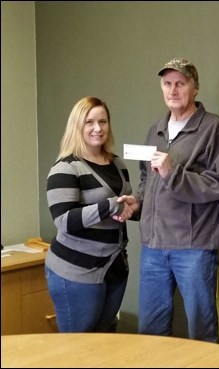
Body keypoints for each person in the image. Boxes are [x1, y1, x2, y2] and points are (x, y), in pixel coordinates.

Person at [117, 58, 219, 343]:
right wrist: (138, 203)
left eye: (180, 83)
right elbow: (147, 179)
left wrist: (173, 173)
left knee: (201, 330)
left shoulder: (213, 129)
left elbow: (218, 184)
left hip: (194, 248)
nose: (173, 90)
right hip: (154, 247)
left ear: (195, 88)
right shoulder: (155, 130)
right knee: (151, 331)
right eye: (167, 84)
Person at [45, 96, 135, 332]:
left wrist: (134, 207)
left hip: (113, 268)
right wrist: (110, 205)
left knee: (102, 343)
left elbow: (124, 207)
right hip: (76, 272)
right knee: (78, 349)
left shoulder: (118, 165)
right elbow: (64, 220)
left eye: (103, 122)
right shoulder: (65, 167)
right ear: (78, 126)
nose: (98, 128)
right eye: (90, 122)